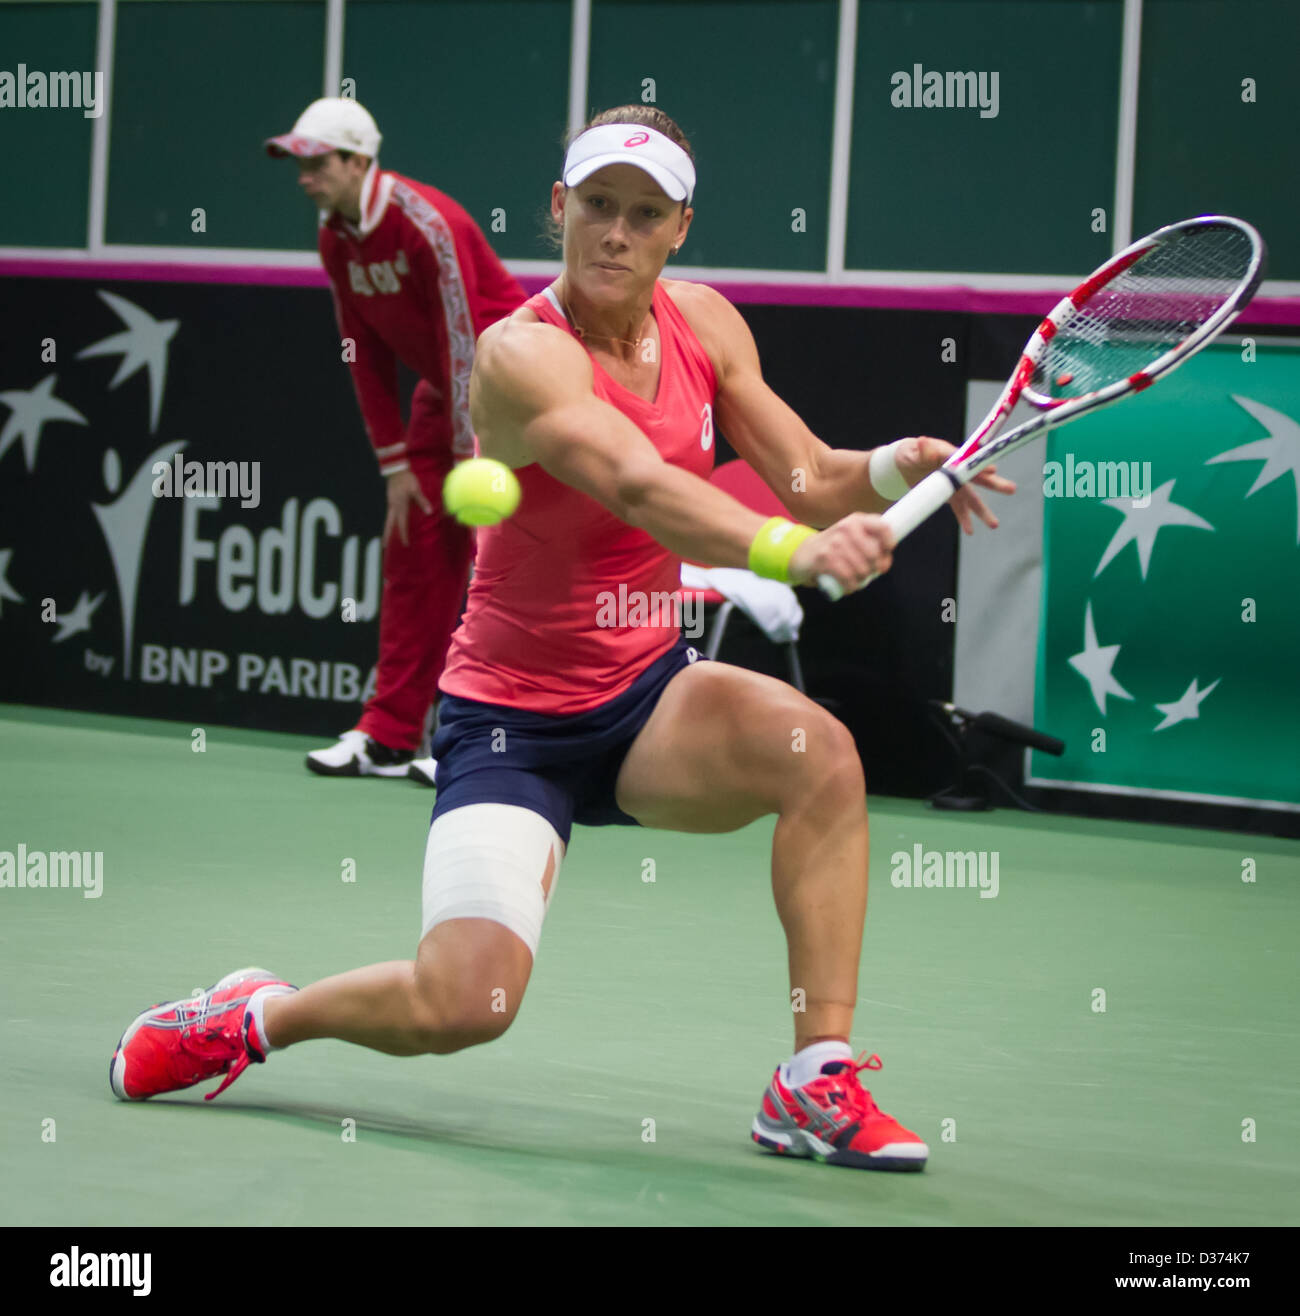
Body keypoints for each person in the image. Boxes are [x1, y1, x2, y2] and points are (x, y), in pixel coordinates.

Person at [111, 107, 1013, 1171]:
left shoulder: (709, 326)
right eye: (596, 206)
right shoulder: (519, 353)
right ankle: (256, 1017)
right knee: (462, 1003)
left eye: (643, 213)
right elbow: (636, 483)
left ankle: (812, 1078)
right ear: (558, 209)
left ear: (680, 225)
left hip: (644, 698)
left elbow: (812, 475)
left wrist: (906, 464)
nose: (616, 233)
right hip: (511, 724)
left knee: (820, 755)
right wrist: (790, 553)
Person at [265, 97, 526, 784]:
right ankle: (388, 734)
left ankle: (475, 740)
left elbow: (464, 337)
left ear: (359, 161)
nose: (305, 176)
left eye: (317, 162)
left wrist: (478, 452)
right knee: (412, 544)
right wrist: (395, 466)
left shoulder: (425, 224)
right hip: (443, 398)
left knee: (495, 565)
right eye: (301, 163)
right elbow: (361, 349)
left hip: (513, 392)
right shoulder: (334, 237)